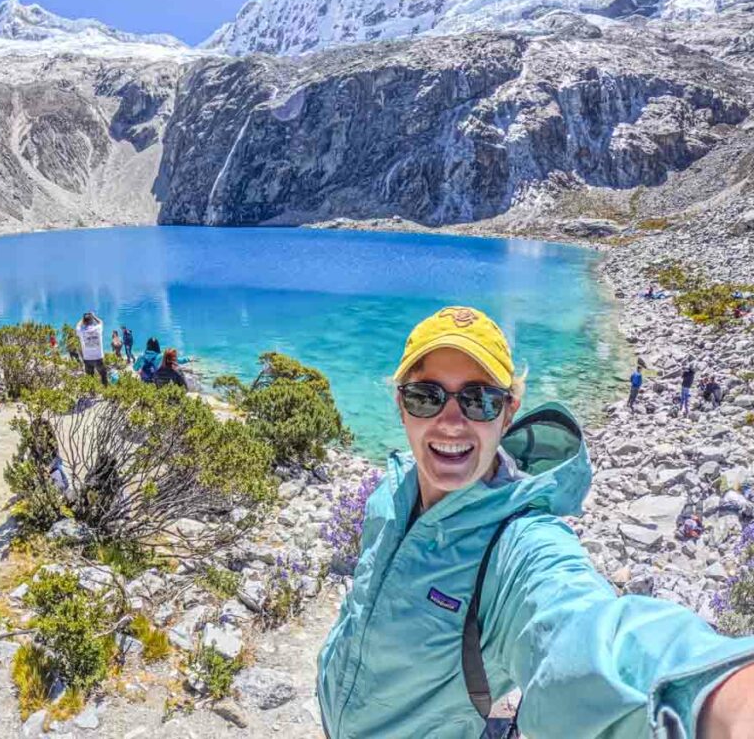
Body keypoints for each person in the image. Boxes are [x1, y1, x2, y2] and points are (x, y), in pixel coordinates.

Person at [317, 306, 754, 739]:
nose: (451, 422)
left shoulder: (518, 543)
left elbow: (579, 630)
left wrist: (712, 695)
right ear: (401, 406)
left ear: (509, 412)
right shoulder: (391, 493)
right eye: (426, 396)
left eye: (479, 400)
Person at [75, 312, 108, 387]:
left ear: (84, 321)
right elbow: (100, 322)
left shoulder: (81, 331)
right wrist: (94, 316)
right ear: (92, 321)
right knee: (103, 376)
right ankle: (106, 390)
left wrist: (82, 319)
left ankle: (92, 392)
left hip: (87, 358)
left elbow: (77, 325)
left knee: (90, 377)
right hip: (98, 358)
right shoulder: (98, 328)